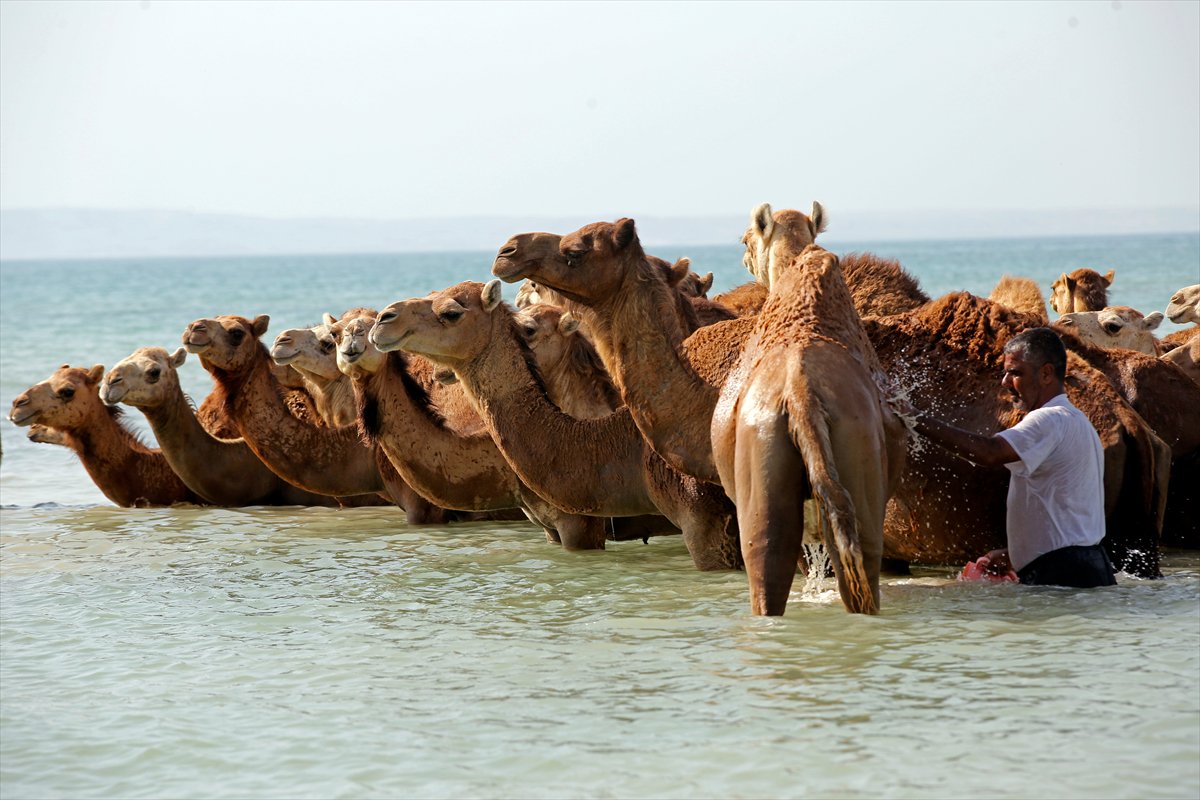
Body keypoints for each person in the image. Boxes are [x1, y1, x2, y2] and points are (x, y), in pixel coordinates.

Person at [906, 327, 1116, 588]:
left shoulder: (1048, 419)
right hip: (1088, 565)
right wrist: (1015, 555)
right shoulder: (1077, 421)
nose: (1005, 382)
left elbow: (990, 453)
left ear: (1046, 373)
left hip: (1062, 571)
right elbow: (1068, 516)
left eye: (1015, 373)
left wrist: (912, 417)